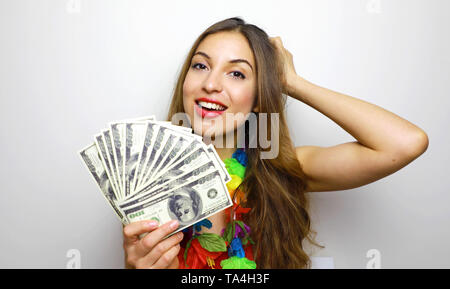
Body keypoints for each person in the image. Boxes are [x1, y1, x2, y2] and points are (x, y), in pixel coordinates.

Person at [122, 17, 429, 269]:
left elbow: (405, 143)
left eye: (237, 73)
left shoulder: (282, 169)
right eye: (201, 66)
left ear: (258, 99)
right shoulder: (144, 183)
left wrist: (292, 83)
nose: (211, 84)